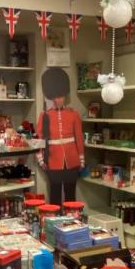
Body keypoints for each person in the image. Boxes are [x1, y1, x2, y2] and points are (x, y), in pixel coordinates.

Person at [36, 68, 84, 205]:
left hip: (72, 160)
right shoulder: (44, 116)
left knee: (70, 194)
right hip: (52, 160)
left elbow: (79, 138)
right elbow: (38, 139)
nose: (58, 99)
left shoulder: (73, 114)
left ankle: (72, 220)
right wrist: (40, 159)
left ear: (65, 96)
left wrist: (81, 159)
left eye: (61, 96)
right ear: (52, 97)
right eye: (56, 96)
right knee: (55, 194)